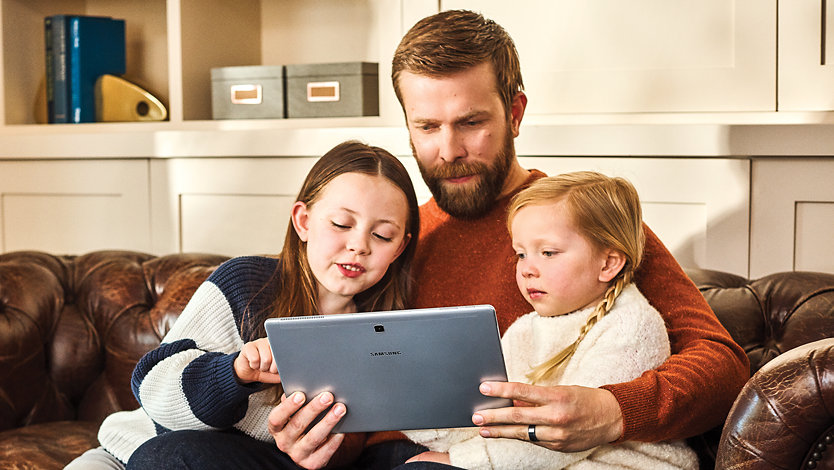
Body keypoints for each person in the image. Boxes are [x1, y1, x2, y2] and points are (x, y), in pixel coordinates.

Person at [266, 8, 749, 469]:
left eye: (471, 123)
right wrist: (319, 440)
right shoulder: (392, 238)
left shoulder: (580, 226)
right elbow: (366, 407)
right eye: (427, 127)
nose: (449, 150)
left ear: (514, 114)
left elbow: (723, 367)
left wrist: (611, 410)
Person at [63, 140, 420, 470]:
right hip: (137, 453)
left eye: (381, 235)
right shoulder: (246, 284)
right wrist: (235, 373)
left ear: (400, 247)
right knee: (171, 456)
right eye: (342, 224)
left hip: (252, 461)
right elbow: (154, 390)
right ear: (304, 221)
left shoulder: (383, 331)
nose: (359, 245)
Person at [403, 171, 698, 469]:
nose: (527, 269)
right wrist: (422, 416)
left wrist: (460, 460)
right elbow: (492, 419)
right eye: (521, 254)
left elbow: (568, 437)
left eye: (547, 252)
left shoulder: (632, 327)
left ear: (608, 263)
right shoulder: (523, 330)